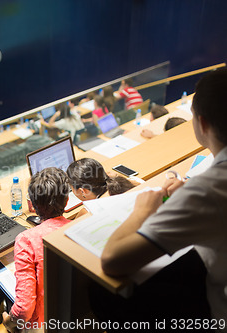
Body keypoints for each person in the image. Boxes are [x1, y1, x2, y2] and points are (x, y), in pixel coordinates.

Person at [101, 68, 227, 328]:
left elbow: (112, 260)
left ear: (202, 124)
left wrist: (141, 211)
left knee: (102, 294)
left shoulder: (207, 190)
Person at [2, 167, 72, 332]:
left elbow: (24, 310)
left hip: (42, 325)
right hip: (75, 315)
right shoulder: (77, 228)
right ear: (67, 200)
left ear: (32, 205)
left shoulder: (26, 240)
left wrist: (9, 322)